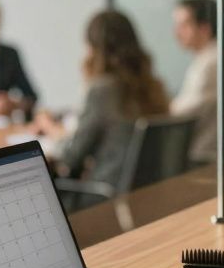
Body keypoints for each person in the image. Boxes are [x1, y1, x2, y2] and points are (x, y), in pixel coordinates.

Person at [34, 10, 168, 185]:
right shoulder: (152, 86)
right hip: (145, 193)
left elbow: (70, 157)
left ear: (94, 48)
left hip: (104, 195)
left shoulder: (102, 90)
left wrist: (50, 128)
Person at [169, 0, 224, 163]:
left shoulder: (210, 66)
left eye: (184, 25)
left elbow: (179, 116)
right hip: (220, 149)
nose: (176, 33)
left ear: (204, 28)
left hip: (202, 155)